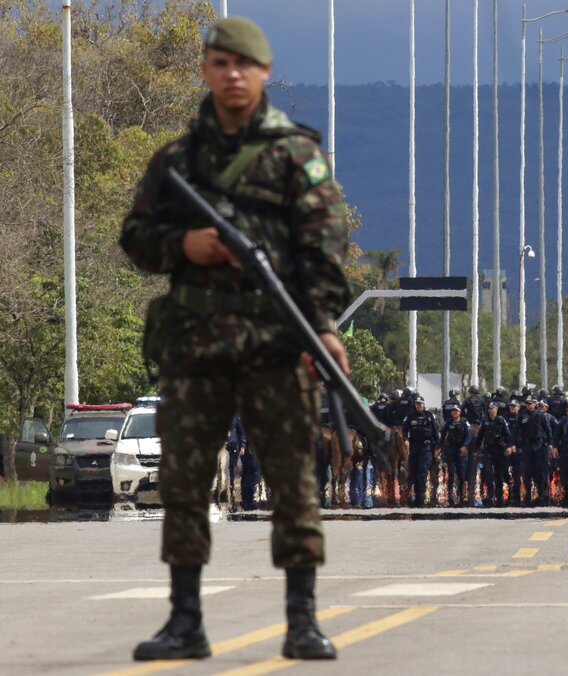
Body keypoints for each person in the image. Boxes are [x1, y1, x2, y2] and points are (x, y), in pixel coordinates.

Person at [120, 16, 350, 662]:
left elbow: (324, 252)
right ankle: (185, 619)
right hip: (195, 347)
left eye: (244, 65)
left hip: (276, 344)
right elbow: (135, 237)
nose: (233, 75)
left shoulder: (294, 155)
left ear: (265, 73)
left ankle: (302, 618)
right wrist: (183, 245)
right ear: (205, 70)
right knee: (186, 480)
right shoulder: (176, 160)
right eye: (220, 63)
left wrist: (323, 327)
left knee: (292, 479)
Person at [403, 397, 440, 507]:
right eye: (417, 404)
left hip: (426, 447)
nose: (419, 406)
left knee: (422, 473)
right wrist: (405, 440)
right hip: (414, 447)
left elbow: (435, 431)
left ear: (424, 405)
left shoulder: (429, 415)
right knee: (413, 472)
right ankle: (414, 497)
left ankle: (421, 499)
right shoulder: (410, 416)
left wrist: (437, 447)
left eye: (421, 404)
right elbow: (404, 431)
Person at [476, 403, 512, 507]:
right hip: (488, 450)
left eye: (493, 409)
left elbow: (507, 435)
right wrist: (476, 449)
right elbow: (480, 436)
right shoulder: (485, 421)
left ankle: (499, 497)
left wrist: (509, 446)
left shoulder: (501, 420)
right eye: (489, 409)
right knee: (488, 474)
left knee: (499, 475)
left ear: (497, 410)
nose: (491, 410)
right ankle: (490, 496)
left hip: (500, 451)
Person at [519, 397, 553, 506]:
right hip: (527, 446)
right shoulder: (522, 415)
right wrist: (516, 444)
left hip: (539, 446)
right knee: (527, 472)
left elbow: (548, 430)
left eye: (531, 403)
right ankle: (527, 497)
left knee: (540, 472)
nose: (529, 405)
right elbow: (516, 430)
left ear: (535, 404)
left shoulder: (540, 415)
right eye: (527, 403)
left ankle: (543, 497)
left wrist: (550, 444)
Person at [439, 406, 472, 507]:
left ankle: (461, 497)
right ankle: (450, 498)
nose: (454, 412)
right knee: (451, 474)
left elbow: (468, 436)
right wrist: (439, 447)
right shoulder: (449, 422)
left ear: (460, 412)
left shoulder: (464, 422)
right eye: (453, 411)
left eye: (456, 411)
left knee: (461, 475)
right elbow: (443, 434)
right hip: (451, 451)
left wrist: (465, 446)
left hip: (461, 451)